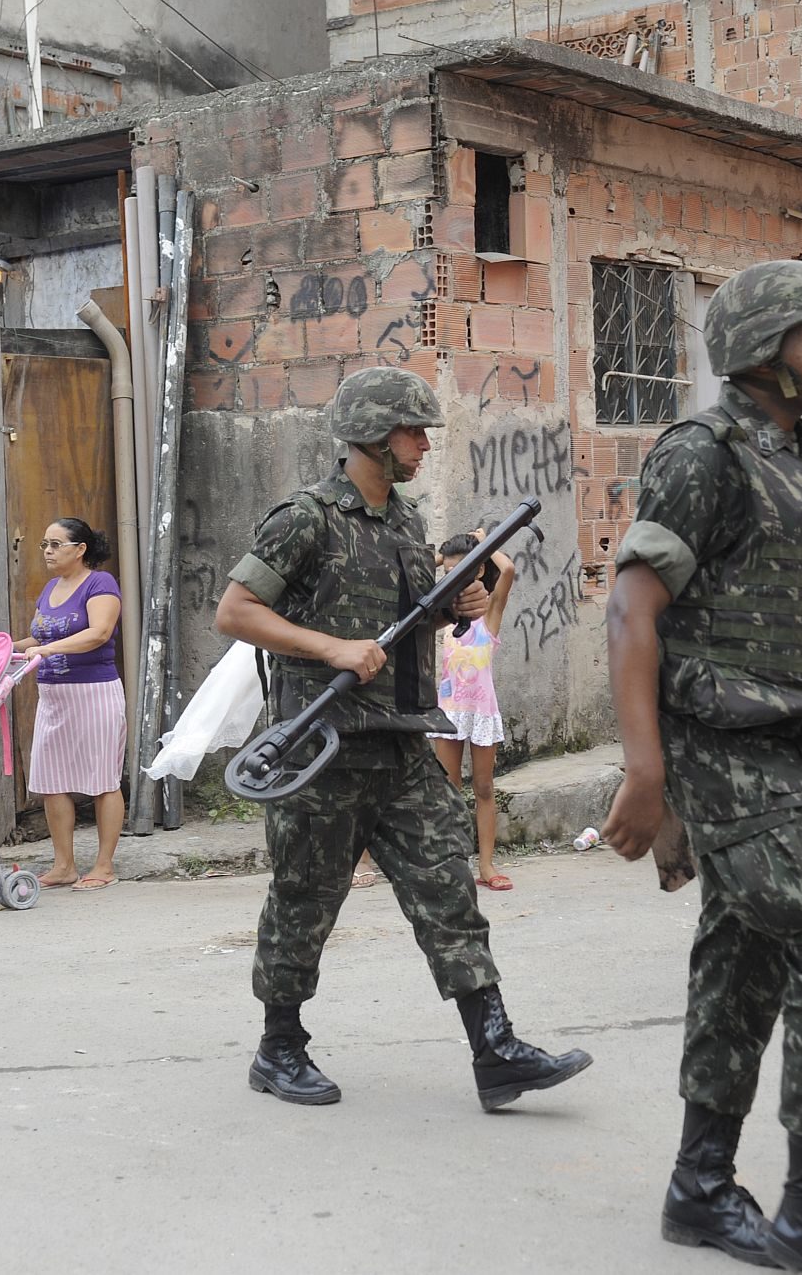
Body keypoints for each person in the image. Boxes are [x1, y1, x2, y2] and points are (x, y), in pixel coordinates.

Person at [601, 259, 802, 1275]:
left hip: (799, 747)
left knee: (742, 966)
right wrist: (644, 772)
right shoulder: (702, 455)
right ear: (762, 354)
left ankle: (699, 1189)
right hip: (722, 750)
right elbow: (631, 606)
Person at [212, 366, 591, 1111]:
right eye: (414, 431)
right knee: (304, 899)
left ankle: (496, 1050)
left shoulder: (407, 523)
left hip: (402, 742)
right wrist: (333, 648)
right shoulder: (307, 518)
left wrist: (463, 603)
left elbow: (420, 617)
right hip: (322, 747)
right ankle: (279, 1047)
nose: (424, 445)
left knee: (449, 892)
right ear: (375, 437)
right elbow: (236, 611)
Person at [13, 517, 125, 892]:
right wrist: (7, 649)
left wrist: (46, 649)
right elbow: (40, 635)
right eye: (44, 544)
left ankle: (104, 866)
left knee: (103, 778)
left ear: (80, 550)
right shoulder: (51, 587)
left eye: (55, 544)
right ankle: (63, 866)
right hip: (53, 697)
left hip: (94, 694)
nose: (47, 551)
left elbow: (99, 632)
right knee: (51, 780)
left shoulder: (100, 583)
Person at [429, 530, 518, 891]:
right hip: (449, 712)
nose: (452, 577)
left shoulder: (489, 611)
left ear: (479, 570)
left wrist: (485, 542)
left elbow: (508, 569)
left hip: (481, 712)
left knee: (483, 788)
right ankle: (452, 864)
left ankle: (485, 864)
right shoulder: (444, 611)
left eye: (461, 570)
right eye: (448, 572)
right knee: (447, 791)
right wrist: (446, 558)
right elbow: (422, 564)